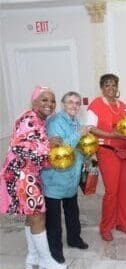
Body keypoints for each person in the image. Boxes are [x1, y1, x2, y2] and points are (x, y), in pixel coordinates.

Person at [0, 86, 66, 269]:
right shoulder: (29, 119)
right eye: (44, 100)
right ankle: (46, 260)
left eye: (52, 101)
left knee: (31, 216)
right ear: (34, 101)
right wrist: (49, 143)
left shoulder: (38, 120)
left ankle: (32, 257)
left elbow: (36, 152)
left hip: (27, 173)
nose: (49, 104)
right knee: (37, 216)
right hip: (22, 175)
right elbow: (21, 147)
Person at [41, 91, 89, 264]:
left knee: (72, 211)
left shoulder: (75, 121)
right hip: (54, 178)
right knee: (53, 219)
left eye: (77, 103)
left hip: (71, 176)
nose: (74, 105)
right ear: (63, 104)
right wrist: (80, 134)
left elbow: (78, 147)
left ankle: (74, 239)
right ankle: (55, 251)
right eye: (70, 102)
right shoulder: (55, 122)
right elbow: (61, 149)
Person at [87, 73, 126, 241]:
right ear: (102, 88)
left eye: (114, 85)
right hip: (107, 151)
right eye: (107, 85)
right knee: (111, 191)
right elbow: (90, 128)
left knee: (123, 190)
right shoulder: (96, 105)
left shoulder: (122, 105)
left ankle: (122, 223)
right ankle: (106, 227)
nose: (111, 88)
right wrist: (111, 134)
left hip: (124, 151)